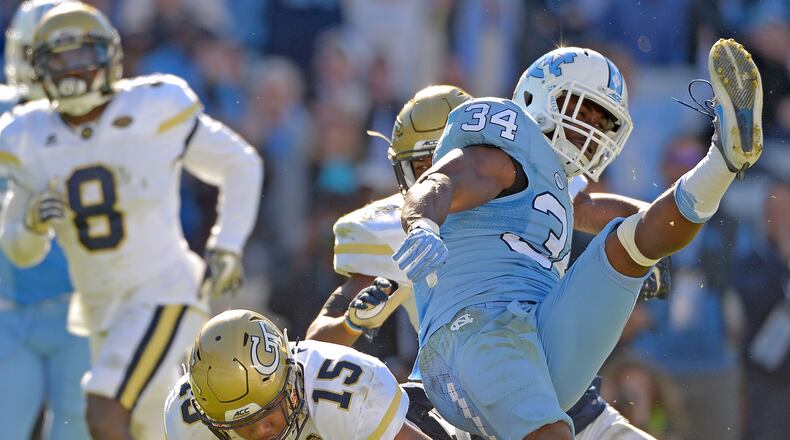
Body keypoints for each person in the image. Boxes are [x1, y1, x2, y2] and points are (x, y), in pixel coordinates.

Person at [392, 40, 762, 439]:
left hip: (542, 336)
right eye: (581, 109)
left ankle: (722, 161)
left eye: (603, 120)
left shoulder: (558, 186)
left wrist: (657, 248)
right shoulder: (502, 152)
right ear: (539, 96)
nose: (592, 128)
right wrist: (423, 224)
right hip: (474, 332)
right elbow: (441, 180)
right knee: (550, 433)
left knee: (628, 246)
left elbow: (625, 218)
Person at [306, 85, 663, 439]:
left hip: (548, 375)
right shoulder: (387, 227)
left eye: (447, 155)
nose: (442, 168)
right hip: (460, 395)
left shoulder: (515, 182)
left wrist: (651, 242)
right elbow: (317, 344)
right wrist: (353, 322)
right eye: (424, 164)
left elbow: (588, 208)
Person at [0, 3, 262, 439]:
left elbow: (239, 162)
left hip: (162, 291)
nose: (73, 71)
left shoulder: (152, 106)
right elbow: (19, 250)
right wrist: (30, 225)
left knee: (105, 411)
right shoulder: (26, 135)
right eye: (60, 60)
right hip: (101, 310)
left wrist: (227, 243)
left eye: (83, 57)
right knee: (158, 428)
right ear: (39, 68)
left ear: (109, 57)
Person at [0, 2, 91, 438]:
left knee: (76, 430)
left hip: (81, 309)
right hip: (8, 309)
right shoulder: (5, 117)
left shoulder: (102, 116)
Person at [164, 309, 431, 440]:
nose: (260, 431)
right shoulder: (186, 420)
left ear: (291, 383)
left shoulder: (343, 392)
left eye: (266, 412)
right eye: (241, 425)